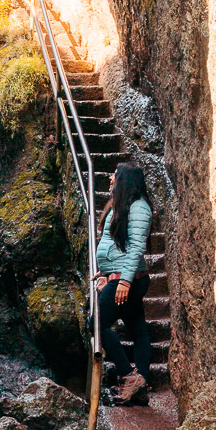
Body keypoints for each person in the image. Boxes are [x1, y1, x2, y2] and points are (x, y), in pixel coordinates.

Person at [95, 163, 153, 405]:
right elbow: (115, 244)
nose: (110, 179)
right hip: (118, 276)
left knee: (96, 324)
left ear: (125, 181)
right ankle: (139, 387)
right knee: (137, 328)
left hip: (126, 280)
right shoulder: (121, 205)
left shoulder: (139, 207)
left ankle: (130, 376)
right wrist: (104, 269)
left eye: (114, 176)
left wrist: (124, 281)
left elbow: (137, 247)